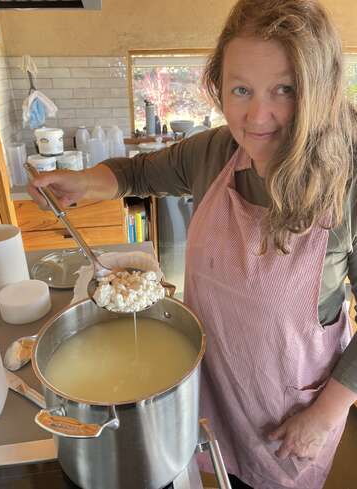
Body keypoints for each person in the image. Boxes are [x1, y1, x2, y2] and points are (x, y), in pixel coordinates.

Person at [28, 1, 357, 488]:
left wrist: (328, 412)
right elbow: (135, 172)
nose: (257, 115)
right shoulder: (216, 150)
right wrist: (80, 182)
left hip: (292, 409)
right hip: (210, 389)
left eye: (285, 90)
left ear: (318, 91)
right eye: (240, 89)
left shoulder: (347, 176)